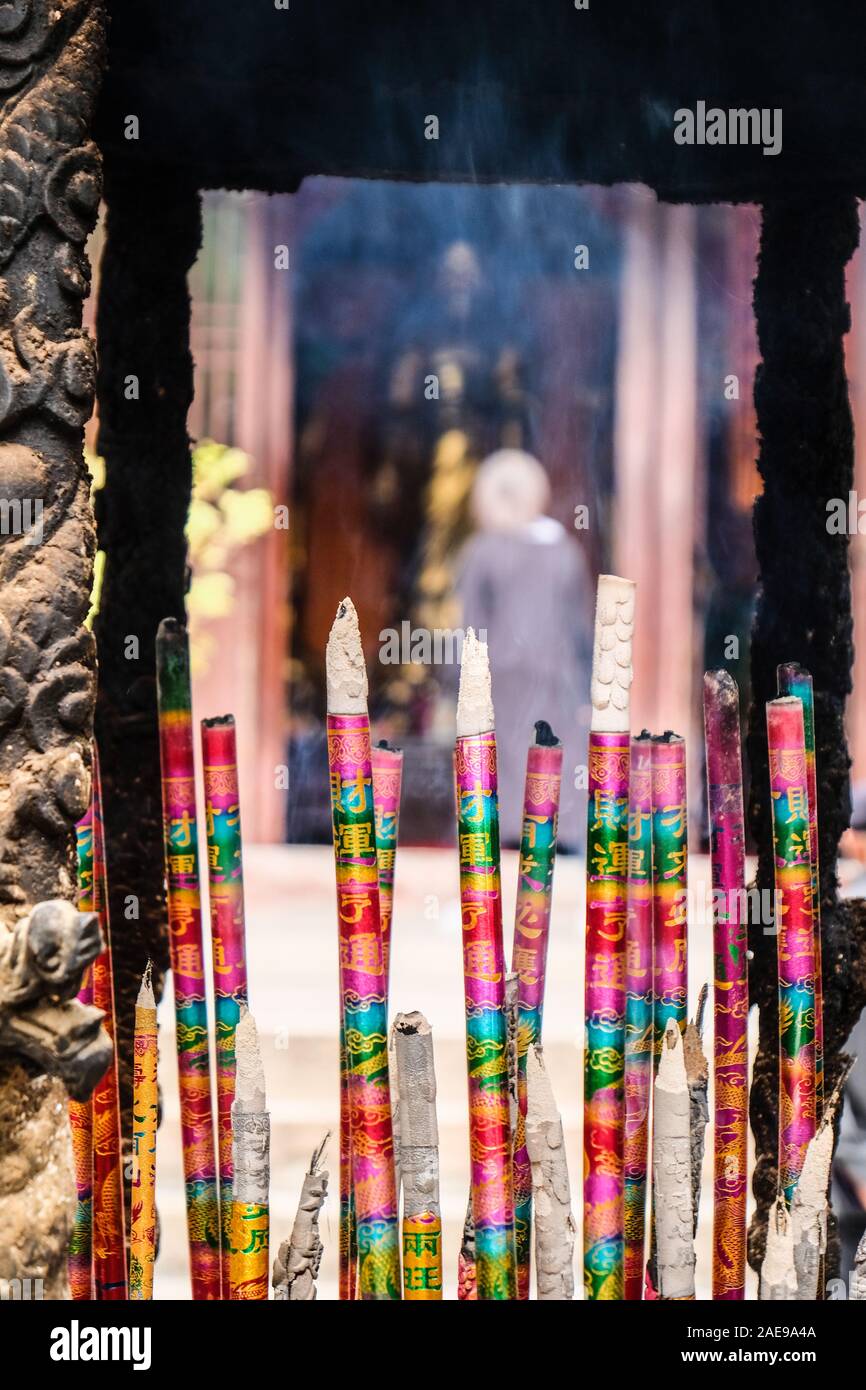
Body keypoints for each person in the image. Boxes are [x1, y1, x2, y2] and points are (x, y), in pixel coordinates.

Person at [455, 449, 593, 849]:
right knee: (555, 764)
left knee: (503, 780)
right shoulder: (565, 552)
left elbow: (469, 630)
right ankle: (560, 839)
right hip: (558, 678)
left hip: (497, 683)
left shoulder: (483, 552)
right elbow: (582, 629)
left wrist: (458, 683)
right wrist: (586, 689)